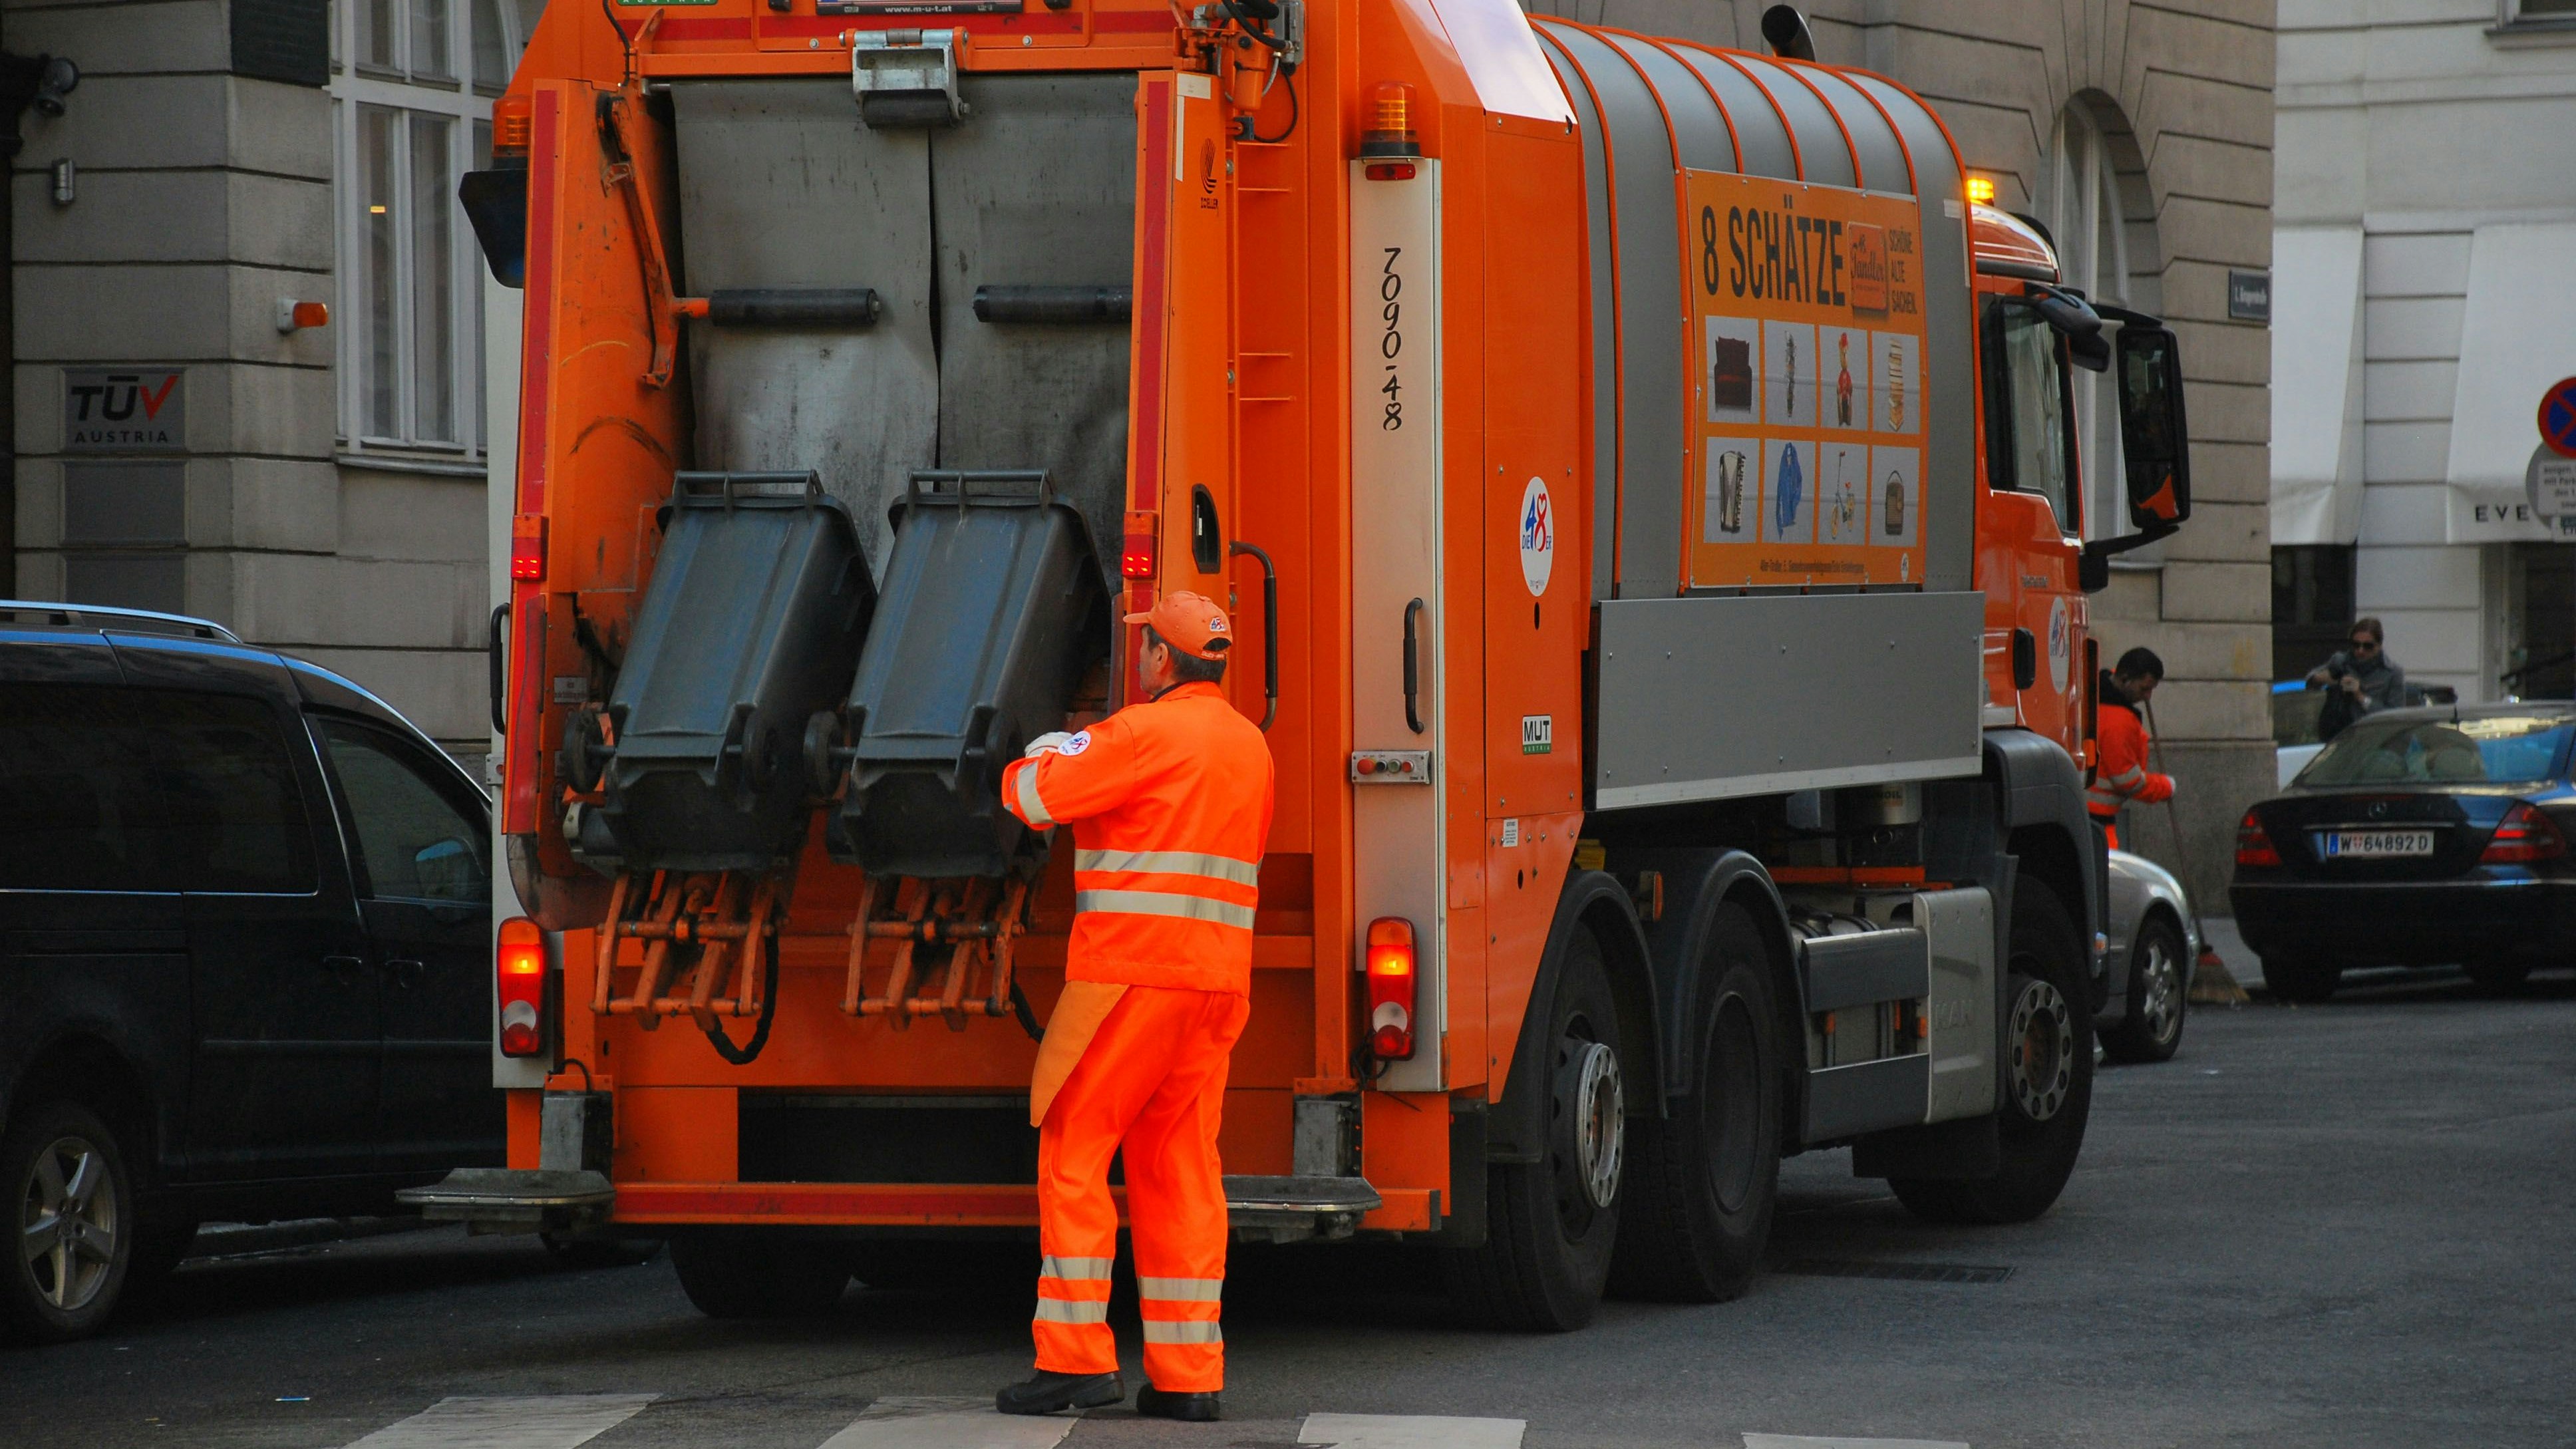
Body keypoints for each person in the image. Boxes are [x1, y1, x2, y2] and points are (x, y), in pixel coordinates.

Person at [993, 590, 1275, 1424]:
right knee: (1178, 1163)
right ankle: (1189, 1375)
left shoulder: (1142, 733)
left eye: (1144, 647)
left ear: (1160, 660)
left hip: (1130, 980)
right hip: (1216, 985)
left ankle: (1076, 1360)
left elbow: (1031, 798)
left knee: (1075, 1148)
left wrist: (1041, 753)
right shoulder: (1249, 748)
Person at [2090, 646, 2175, 850]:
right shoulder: (2119, 721)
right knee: (2107, 875)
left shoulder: (2097, 691)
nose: (2147, 697)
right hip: (2097, 819)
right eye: (2144, 688)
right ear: (2125, 679)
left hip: (2084, 814)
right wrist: (2166, 787)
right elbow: (2128, 780)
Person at [2306, 617, 2405, 741]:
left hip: (2373, 740)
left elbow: (2396, 717)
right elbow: (2310, 680)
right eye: (2356, 645)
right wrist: (2327, 679)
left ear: (2379, 645)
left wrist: (2361, 697)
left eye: (2368, 646)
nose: (2360, 651)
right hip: (2339, 737)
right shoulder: (2341, 661)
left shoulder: (2392, 672)